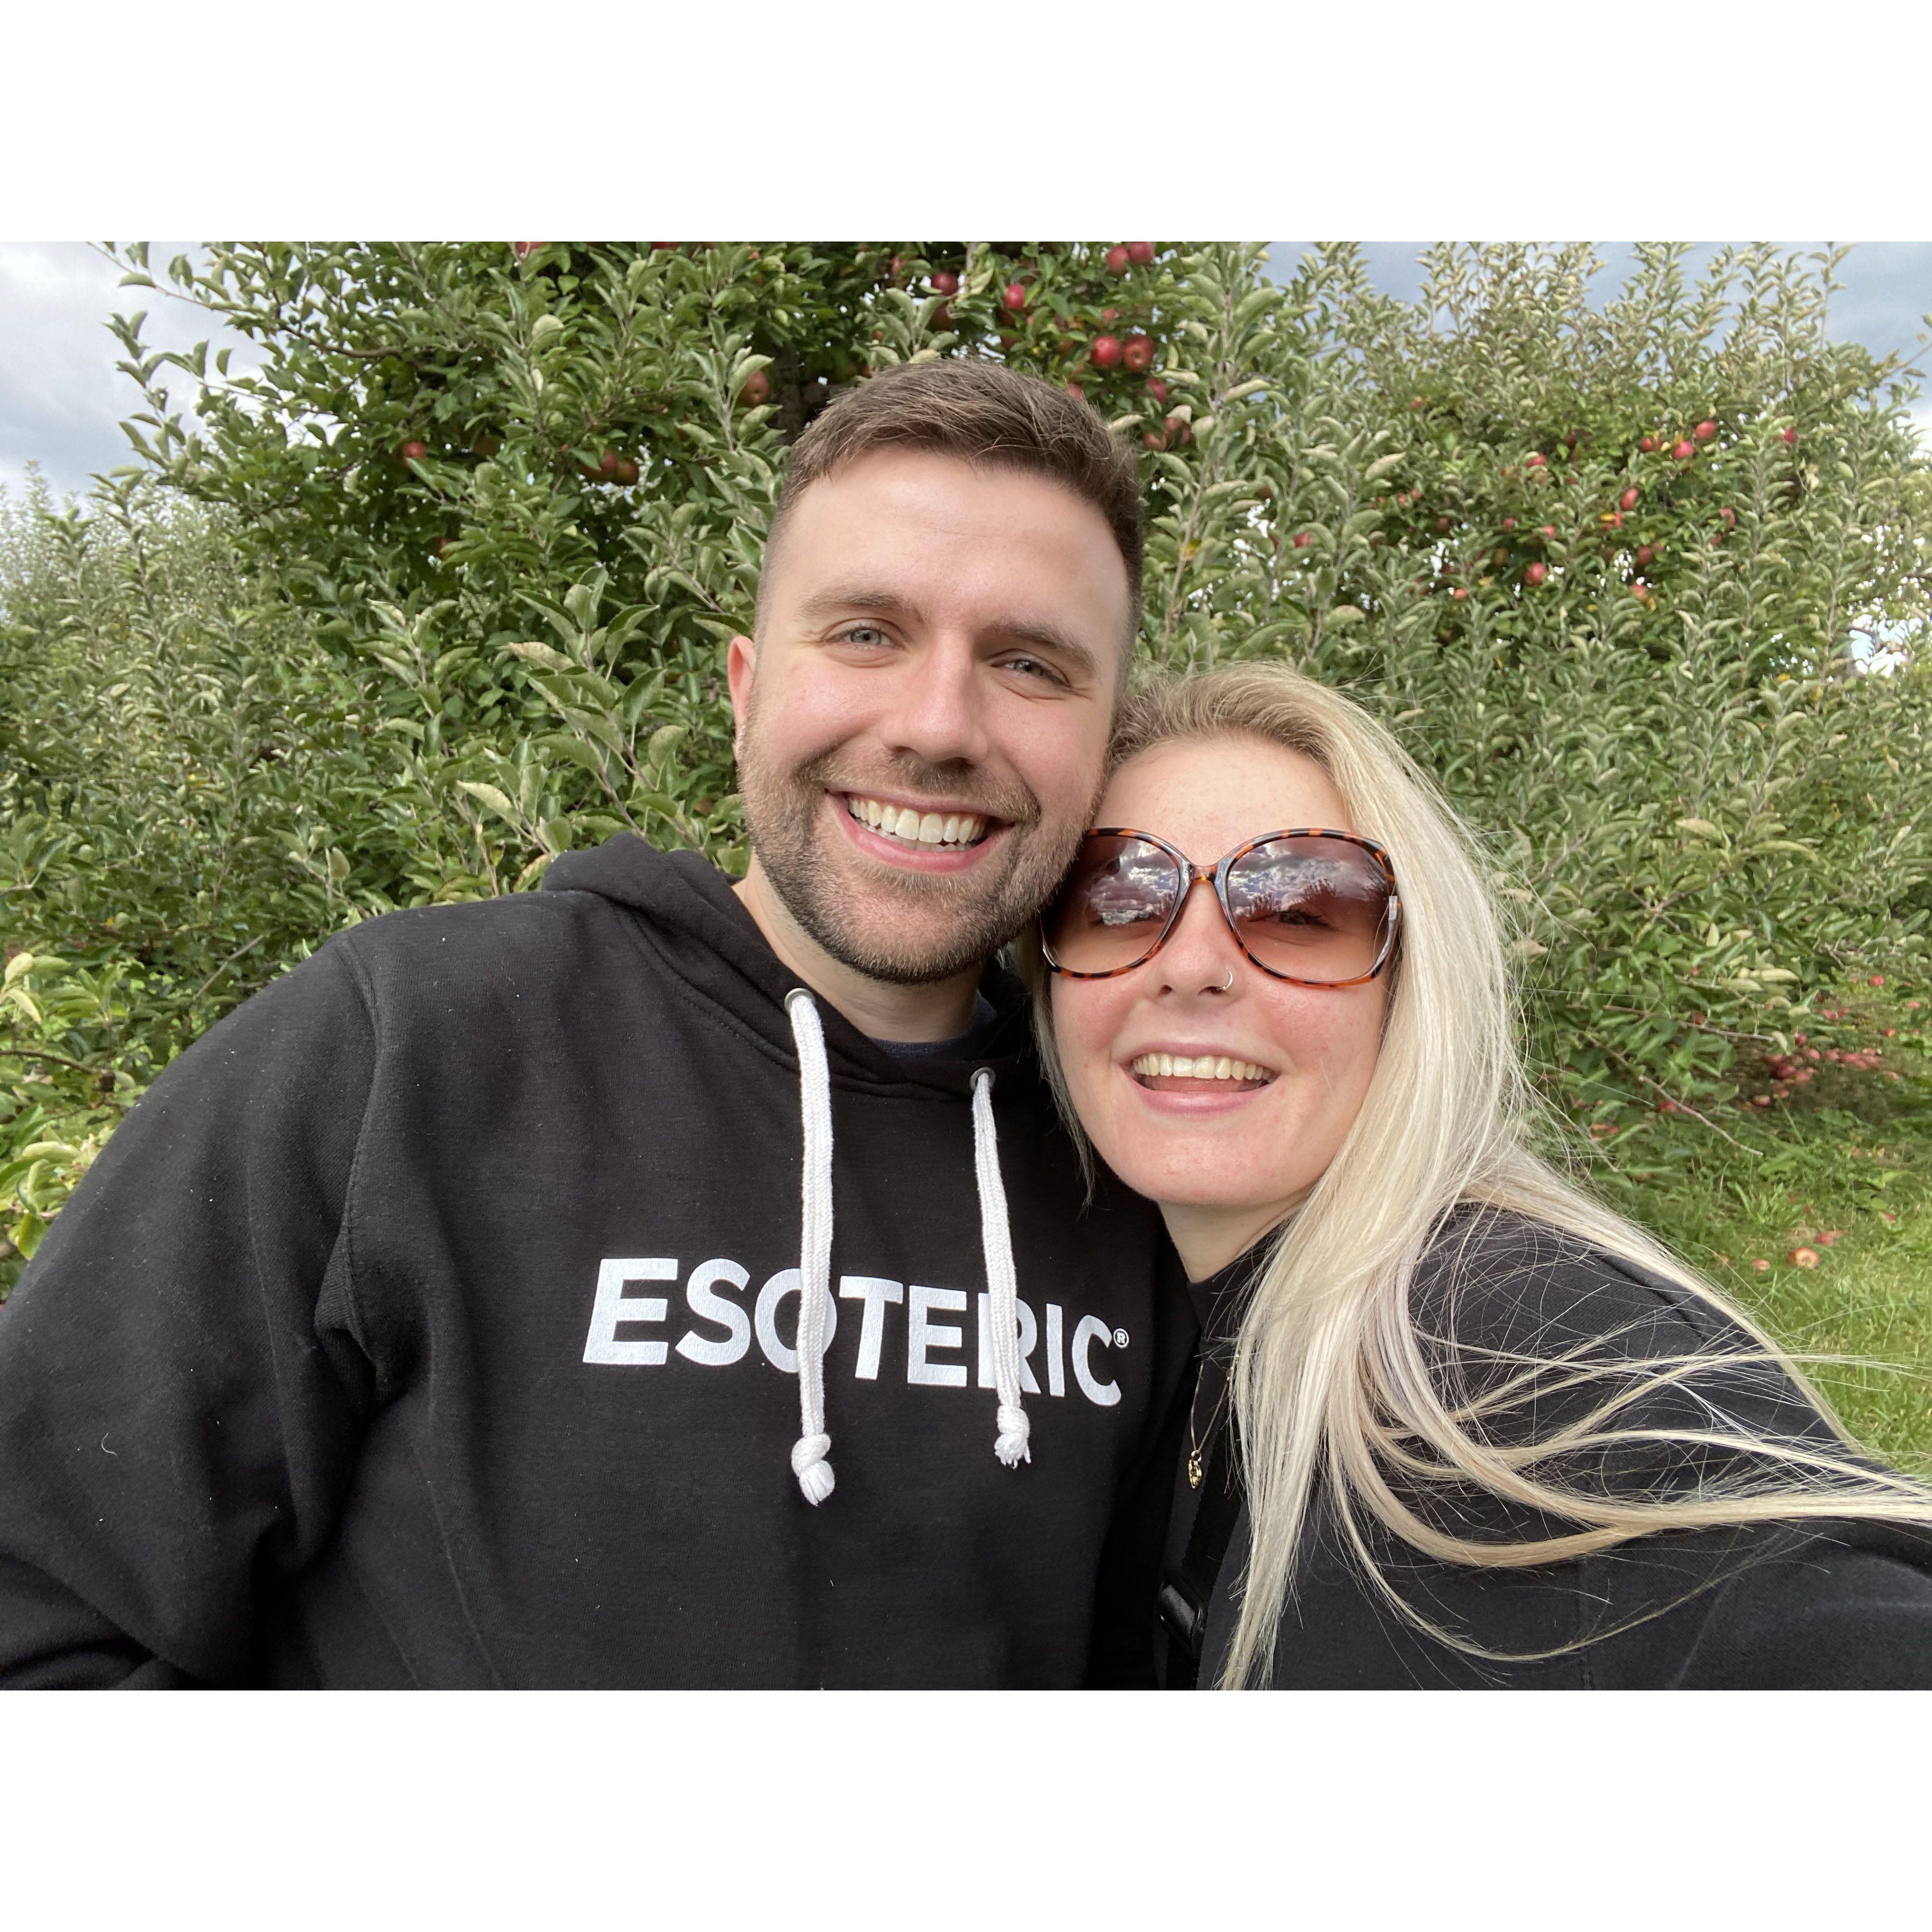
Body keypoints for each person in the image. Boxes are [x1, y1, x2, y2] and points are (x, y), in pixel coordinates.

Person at [0, 360, 1197, 1689]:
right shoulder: (406, 1046)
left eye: (1031, 664)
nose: (935, 724)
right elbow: (43, 1607)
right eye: (865, 633)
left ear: (1102, 747)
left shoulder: (1135, 1171)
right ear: (745, 687)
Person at [1028, 660, 1932, 1689]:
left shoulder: (1500, 1346)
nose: (1190, 964)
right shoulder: (1151, 1303)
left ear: (1412, 983)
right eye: (1118, 896)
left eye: (1301, 909)